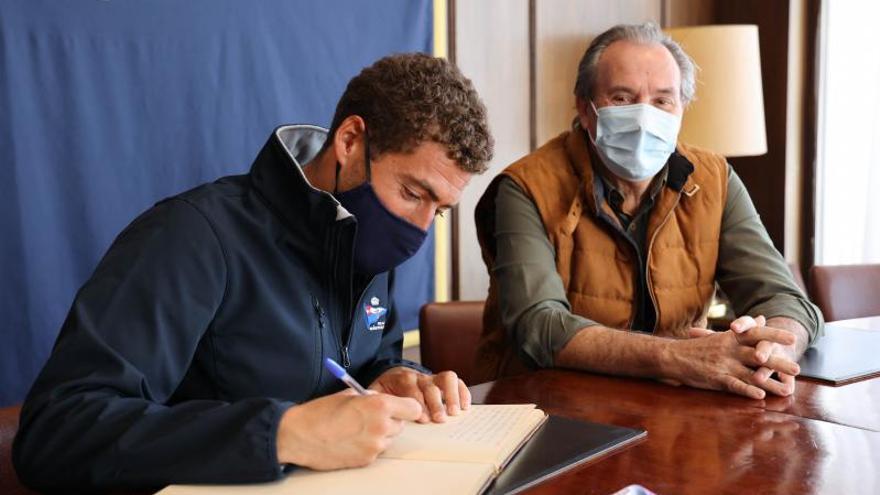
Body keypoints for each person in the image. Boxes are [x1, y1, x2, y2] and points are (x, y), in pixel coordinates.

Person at [13, 53, 494, 491]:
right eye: (412, 193)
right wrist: (283, 435)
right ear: (350, 141)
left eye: (441, 210)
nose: (420, 228)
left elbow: (372, 359)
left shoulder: (367, 239)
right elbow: (56, 433)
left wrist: (395, 375)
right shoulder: (192, 236)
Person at [474, 23, 822, 399]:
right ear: (584, 108)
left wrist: (775, 350)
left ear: (682, 109)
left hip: (675, 411)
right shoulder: (526, 187)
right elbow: (539, 327)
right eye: (622, 98)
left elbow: (786, 298)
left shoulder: (714, 179)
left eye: (661, 101)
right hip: (545, 411)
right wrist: (678, 357)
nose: (643, 117)